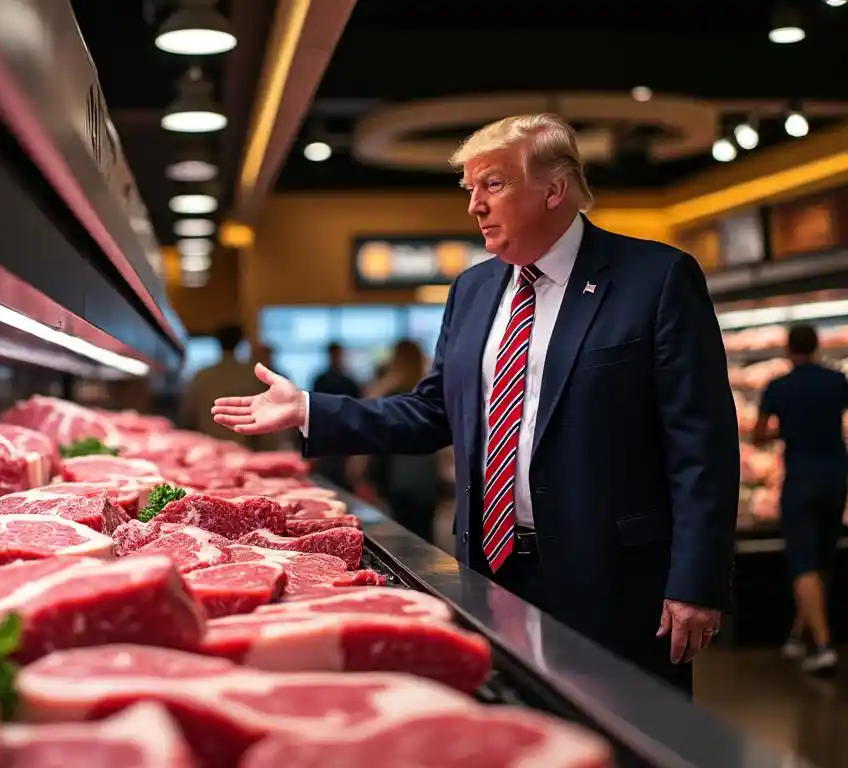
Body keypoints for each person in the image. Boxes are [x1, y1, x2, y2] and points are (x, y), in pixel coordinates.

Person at [212, 113, 740, 694]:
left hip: (616, 581)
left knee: (630, 742)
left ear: (554, 189)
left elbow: (702, 446)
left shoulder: (655, 278)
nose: (474, 207)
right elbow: (431, 411)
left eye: (493, 185)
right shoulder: (473, 289)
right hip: (492, 573)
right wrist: (310, 409)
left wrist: (697, 580)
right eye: (470, 189)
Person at [753, 323, 848, 675]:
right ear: (817, 346)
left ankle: (824, 646)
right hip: (836, 478)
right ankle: (797, 635)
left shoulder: (778, 387)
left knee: (804, 562)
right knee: (824, 558)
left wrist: (788, 427)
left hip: (800, 479)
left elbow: (761, 435)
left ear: (788, 350)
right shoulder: (837, 380)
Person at [364, 340, 442, 542]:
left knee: (401, 536)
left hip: (397, 472)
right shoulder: (427, 390)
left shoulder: (388, 392)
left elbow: (377, 436)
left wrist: (371, 475)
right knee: (425, 535)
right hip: (426, 474)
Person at [180, 324, 282, 450]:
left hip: (206, 451)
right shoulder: (252, 375)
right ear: (241, 343)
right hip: (243, 450)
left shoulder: (201, 375)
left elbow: (189, 415)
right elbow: (264, 418)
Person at [310, 343, 362, 490]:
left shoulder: (325, 380)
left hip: (339, 436)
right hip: (336, 436)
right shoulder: (325, 380)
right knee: (329, 477)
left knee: (338, 477)